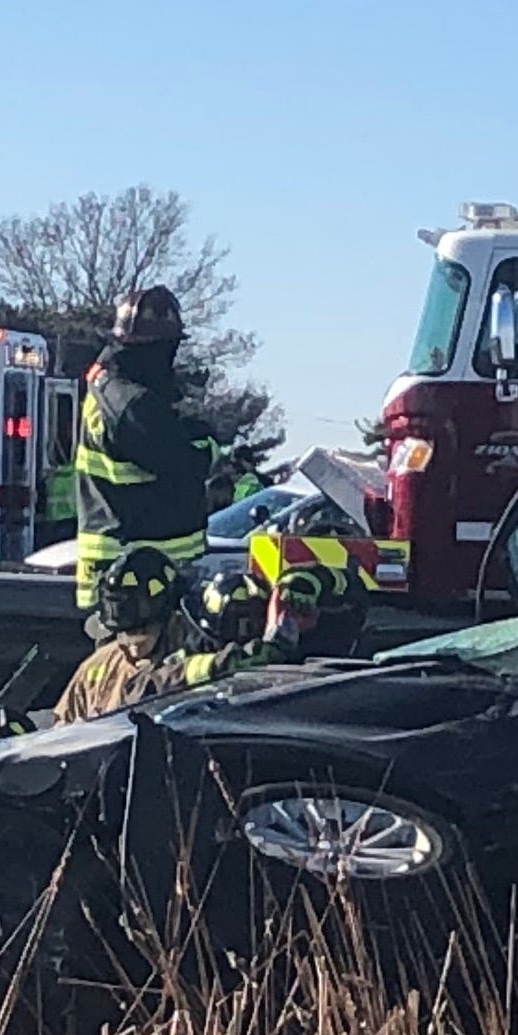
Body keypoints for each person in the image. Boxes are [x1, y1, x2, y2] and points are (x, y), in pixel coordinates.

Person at [67, 285, 216, 614]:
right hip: (141, 573)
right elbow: (185, 464)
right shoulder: (134, 405)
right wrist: (207, 444)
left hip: (125, 566)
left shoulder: (106, 385)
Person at [51, 545, 321, 722]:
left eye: (143, 633)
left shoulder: (196, 648)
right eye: (124, 635)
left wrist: (294, 589)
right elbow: (60, 731)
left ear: (169, 619)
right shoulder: (97, 669)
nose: (133, 646)